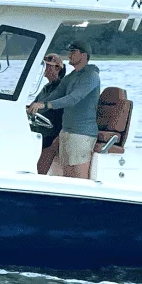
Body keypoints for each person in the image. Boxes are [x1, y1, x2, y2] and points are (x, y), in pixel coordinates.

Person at [27, 40, 99, 179]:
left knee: (78, 178)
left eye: (73, 52)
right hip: (66, 132)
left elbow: (73, 98)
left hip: (82, 133)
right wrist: (34, 106)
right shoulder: (70, 77)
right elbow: (56, 94)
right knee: (66, 177)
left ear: (83, 55)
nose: (69, 55)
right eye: (69, 52)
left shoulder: (91, 76)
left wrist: (45, 105)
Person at [30, 53, 67, 174]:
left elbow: (46, 107)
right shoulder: (46, 87)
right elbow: (34, 105)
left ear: (57, 68)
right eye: (45, 65)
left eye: (48, 66)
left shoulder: (61, 87)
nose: (45, 68)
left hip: (52, 133)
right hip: (40, 130)